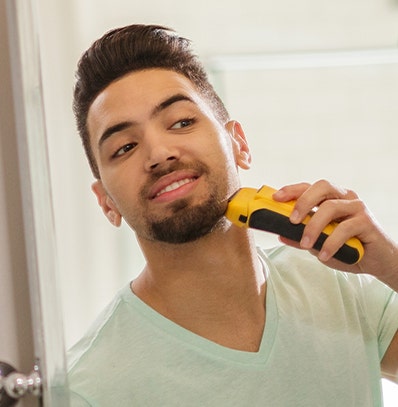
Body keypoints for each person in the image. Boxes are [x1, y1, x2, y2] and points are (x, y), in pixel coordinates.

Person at [67, 24, 398, 406]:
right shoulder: (87, 389)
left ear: (238, 143)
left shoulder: (337, 286)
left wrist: (391, 264)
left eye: (181, 122)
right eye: (124, 147)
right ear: (106, 201)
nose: (158, 153)